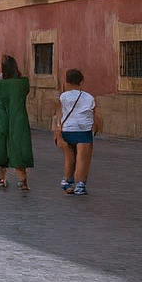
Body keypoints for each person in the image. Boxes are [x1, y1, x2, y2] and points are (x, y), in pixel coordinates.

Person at [0, 54, 33, 191]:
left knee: (1, 144)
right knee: (19, 145)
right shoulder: (23, 83)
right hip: (18, 116)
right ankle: (23, 180)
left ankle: (2, 178)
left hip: (1, 115)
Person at [55, 68, 100, 196]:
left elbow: (59, 115)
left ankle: (68, 182)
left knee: (69, 157)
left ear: (67, 81)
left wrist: (58, 132)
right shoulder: (89, 97)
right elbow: (96, 116)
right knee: (82, 159)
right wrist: (96, 129)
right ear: (81, 81)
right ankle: (80, 185)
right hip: (83, 130)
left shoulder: (63, 96)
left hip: (67, 130)